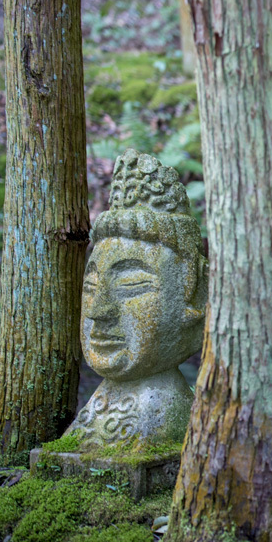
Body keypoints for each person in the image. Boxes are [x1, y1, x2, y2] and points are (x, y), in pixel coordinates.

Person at [68, 149, 207, 447]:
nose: (98, 310)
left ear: (194, 293)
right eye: (91, 285)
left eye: (130, 283)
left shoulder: (170, 415)